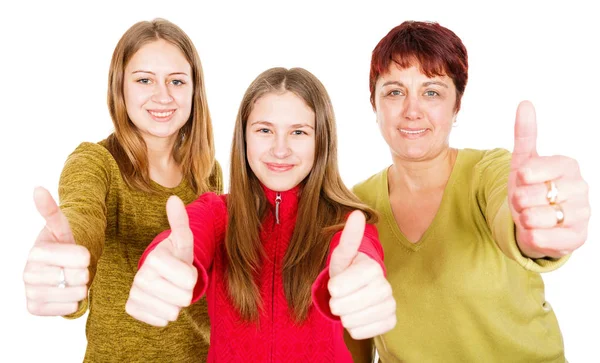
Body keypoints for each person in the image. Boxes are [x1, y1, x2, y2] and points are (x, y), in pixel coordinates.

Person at [348, 21, 591, 362]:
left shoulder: (490, 173)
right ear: (374, 104)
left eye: (431, 92)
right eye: (394, 92)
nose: (412, 110)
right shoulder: (356, 206)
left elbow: (512, 212)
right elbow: (351, 334)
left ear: (456, 105)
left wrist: (537, 232)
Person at [126, 67, 397, 362]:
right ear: (244, 137)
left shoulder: (346, 225)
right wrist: (161, 260)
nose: (280, 150)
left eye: (298, 132)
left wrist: (364, 276)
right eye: (265, 130)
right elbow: (185, 237)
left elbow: (363, 253)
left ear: (322, 141)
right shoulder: (216, 213)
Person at [22, 18, 222, 362]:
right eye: (144, 80)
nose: (163, 96)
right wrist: (69, 256)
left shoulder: (208, 172)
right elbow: (82, 215)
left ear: (194, 91)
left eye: (176, 81)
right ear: (121, 89)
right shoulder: (96, 162)